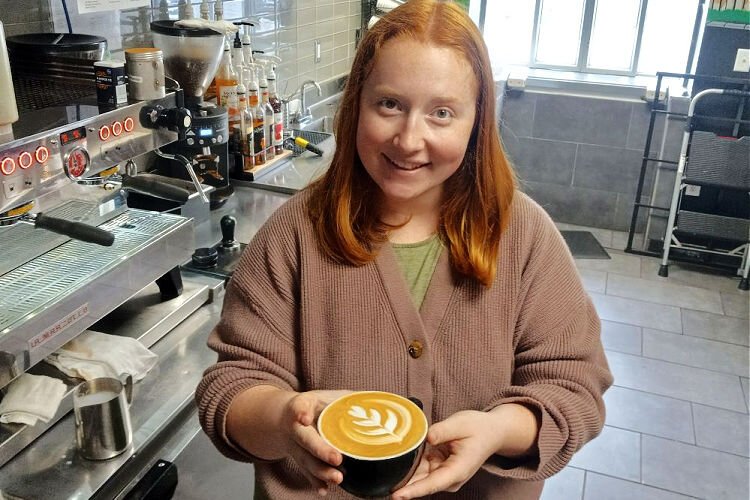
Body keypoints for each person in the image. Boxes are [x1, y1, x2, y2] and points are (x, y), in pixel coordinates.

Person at [196, 1, 613, 498]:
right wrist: (284, 419)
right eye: (389, 104)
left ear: (476, 124)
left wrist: (498, 430)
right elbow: (230, 390)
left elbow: (574, 385)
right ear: (356, 107)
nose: (410, 140)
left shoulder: (522, 236)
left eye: (441, 113)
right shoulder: (294, 235)